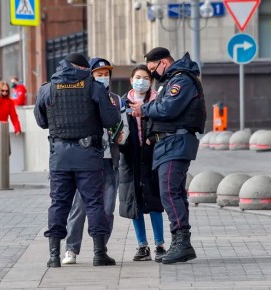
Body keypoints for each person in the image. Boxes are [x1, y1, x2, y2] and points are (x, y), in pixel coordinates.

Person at [34, 52, 121, 268]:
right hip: (88, 156)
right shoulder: (94, 86)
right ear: (83, 68)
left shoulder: (48, 88)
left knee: (59, 204)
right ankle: (100, 253)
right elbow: (111, 119)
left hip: (59, 156)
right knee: (94, 204)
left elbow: (41, 121)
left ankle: (54, 256)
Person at [129, 47, 206, 264]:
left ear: (164, 62)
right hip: (170, 144)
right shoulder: (173, 79)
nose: (152, 75)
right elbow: (162, 107)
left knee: (169, 192)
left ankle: (182, 242)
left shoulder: (181, 80)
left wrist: (144, 109)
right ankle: (180, 242)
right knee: (174, 193)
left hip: (176, 143)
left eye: (153, 69)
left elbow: (167, 109)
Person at [62, 57, 127, 265]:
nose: (103, 78)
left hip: (110, 161)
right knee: (80, 207)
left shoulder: (116, 100)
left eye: (106, 74)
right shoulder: (84, 97)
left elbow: (123, 126)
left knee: (107, 208)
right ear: (90, 76)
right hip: (88, 162)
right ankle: (71, 249)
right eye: (98, 75)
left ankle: (101, 248)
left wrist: (122, 136)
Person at [119, 65, 166, 262]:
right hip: (130, 158)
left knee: (155, 201)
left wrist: (152, 139)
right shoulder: (121, 102)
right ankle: (142, 246)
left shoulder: (159, 100)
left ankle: (160, 244)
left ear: (151, 81)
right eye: (138, 77)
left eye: (145, 77)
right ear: (131, 80)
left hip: (153, 157)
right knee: (134, 202)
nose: (141, 81)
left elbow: (165, 126)